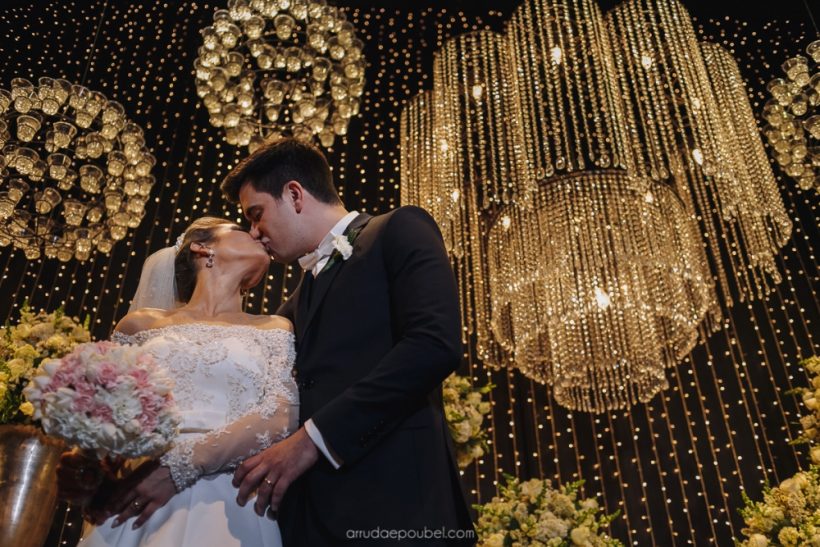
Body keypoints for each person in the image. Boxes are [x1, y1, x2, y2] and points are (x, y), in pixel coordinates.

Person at [221, 138, 476, 545]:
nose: (255, 233)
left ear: (294, 194)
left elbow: (433, 345)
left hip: (401, 507)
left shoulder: (399, 228)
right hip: (313, 520)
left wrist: (312, 440)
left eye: (256, 215)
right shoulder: (295, 301)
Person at [59, 217, 298, 547]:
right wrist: (88, 461)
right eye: (244, 229)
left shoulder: (274, 327)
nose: (258, 232)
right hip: (139, 494)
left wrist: (181, 466)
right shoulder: (139, 325)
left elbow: (280, 414)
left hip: (231, 499)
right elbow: (105, 408)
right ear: (203, 248)